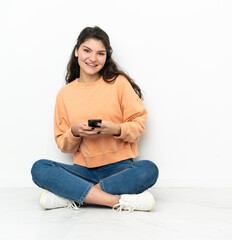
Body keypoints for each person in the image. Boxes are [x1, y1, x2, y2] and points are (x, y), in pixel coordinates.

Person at [30, 26, 159, 212]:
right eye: (87, 50)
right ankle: (115, 201)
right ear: (76, 51)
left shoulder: (118, 84)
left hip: (120, 169)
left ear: (107, 57)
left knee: (148, 169)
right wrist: (74, 132)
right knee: (39, 168)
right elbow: (64, 145)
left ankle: (73, 196)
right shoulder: (65, 94)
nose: (93, 58)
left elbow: (138, 124)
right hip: (83, 171)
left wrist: (115, 129)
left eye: (100, 53)